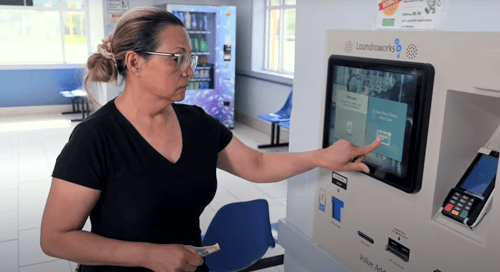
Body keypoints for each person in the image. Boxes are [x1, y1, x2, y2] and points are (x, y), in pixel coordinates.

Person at [40, 7, 381, 272]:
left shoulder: (198, 124)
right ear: (134, 62)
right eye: (178, 58)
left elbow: (258, 164)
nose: (190, 69)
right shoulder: (95, 138)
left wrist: (321, 157)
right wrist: (148, 256)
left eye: (191, 57)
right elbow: (55, 238)